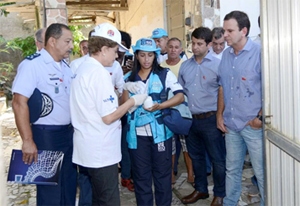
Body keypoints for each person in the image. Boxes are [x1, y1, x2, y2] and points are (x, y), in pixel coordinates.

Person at [70, 23, 147, 206]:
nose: (117, 55)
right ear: (103, 50)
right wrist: (133, 102)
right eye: (115, 50)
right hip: (101, 150)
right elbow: (109, 116)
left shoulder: (83, 68)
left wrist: (124, 88)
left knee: (98, 199)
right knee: (109, 200)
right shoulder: (98, 73)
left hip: (88, 146)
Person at [12, 23, 77, 205]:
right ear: (52, 41)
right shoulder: (32, 65)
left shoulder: (65, 67)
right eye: (68, 41)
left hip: (68, 133)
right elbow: (19, 102)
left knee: (68, 185)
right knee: (50, 191)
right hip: (46, 134)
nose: (71, 46)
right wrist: (27, 140)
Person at [122, 37, 184, 206]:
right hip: (137, 137)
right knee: (141, 178)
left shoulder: (165, 74)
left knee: (163, 177)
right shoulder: (128, 78)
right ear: (136, 56)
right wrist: (126, 89)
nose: (146, 59)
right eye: (142, 55)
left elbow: (180, 96)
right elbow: (122, 106)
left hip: (160, 134)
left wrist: (161, 106)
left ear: (156, 56)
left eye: (150, 55)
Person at [217, 10, 264, 206]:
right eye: (224, 30)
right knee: (232, 169)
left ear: (243, 31)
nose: (224, 35)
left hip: (252, 125)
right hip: (231, 124)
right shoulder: (226, 55)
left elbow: (270, 88)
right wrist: (220, 115)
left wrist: (259, 119)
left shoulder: (260, 53)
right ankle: (230, 202)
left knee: (262, 172)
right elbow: (222, 87)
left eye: (229, 30)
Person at [178, 27, 226, 206]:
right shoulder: (185, 66)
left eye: (199, 44)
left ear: (209, 44)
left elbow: (224, 91)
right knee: (196, 157)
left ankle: (220, 194)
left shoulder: (218, 65)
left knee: (217, 159)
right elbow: (181, 92)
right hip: (191, 121)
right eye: (193, 43)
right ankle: (201, 189)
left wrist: (221, 117)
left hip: (211, 119)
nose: (195, 47)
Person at [160, 37, 194, 186]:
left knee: (186, 144)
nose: (173, 50)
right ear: (166, 49)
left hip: (183, 110)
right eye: (171, 47)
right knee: (171, 145)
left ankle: (191, 173)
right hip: (167, 109)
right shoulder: (160, 66)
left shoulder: (185, 65)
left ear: (181, 50)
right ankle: (171, 173)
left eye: (176, 47)